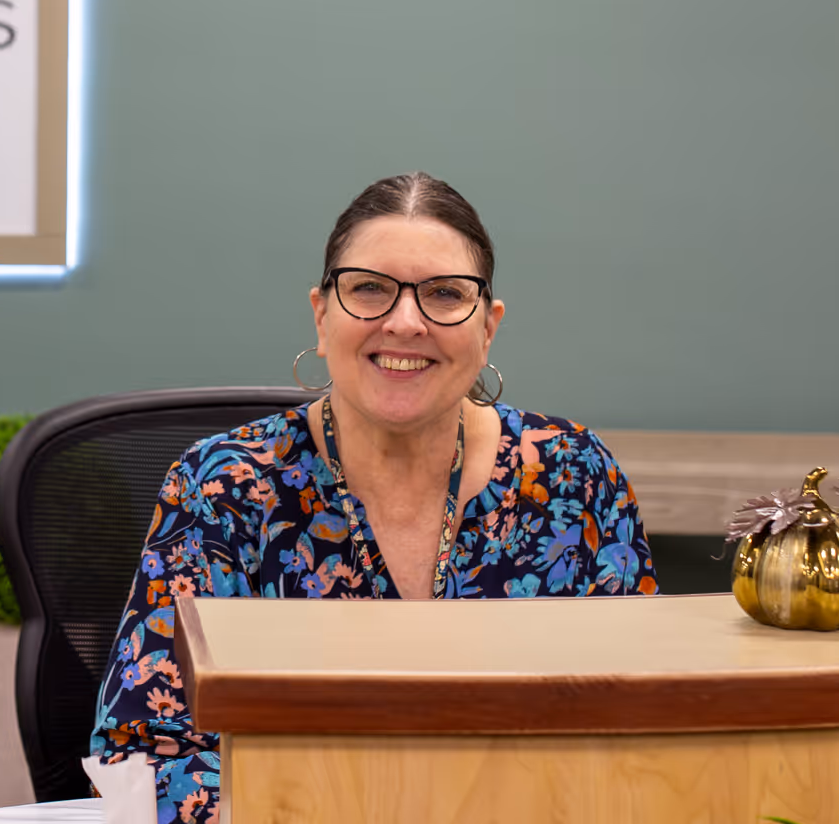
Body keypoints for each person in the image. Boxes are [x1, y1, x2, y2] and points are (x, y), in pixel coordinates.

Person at [88, 172, 658, 824]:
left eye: (445, 294)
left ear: (488, 327)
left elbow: (638, 728)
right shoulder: (224, 487)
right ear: (321, 313)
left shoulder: (574, 476)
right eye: (369, 290)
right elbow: (142, 754)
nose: (406, 322)